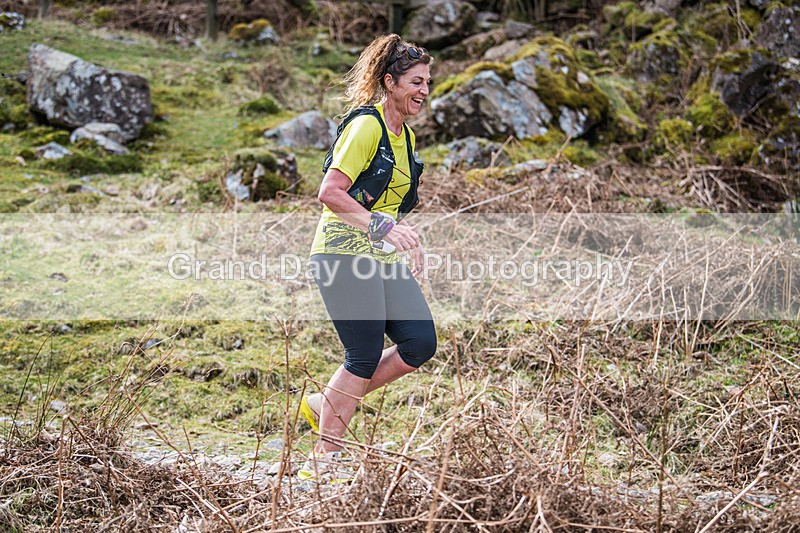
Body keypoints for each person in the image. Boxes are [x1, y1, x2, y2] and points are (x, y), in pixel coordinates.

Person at [298, 34, 437, 483]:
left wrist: (405, 241)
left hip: (380, 257)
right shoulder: (367, 127)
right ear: (389, 81)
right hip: (341, 254)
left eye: (428, 83)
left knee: (420, 342)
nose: (424, 91)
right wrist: (385, 228)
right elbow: (330, 193)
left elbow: (391, 207)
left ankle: (327, 403)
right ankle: (322, 460)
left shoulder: (406, 136)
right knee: (362, 353)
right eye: (416, 82)